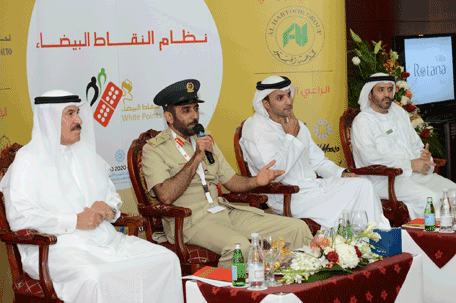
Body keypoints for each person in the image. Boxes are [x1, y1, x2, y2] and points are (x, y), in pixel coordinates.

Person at [0, 91, 183, 303]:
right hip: (56, 249)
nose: (78, 120)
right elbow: (21, 219)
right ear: (49, 119)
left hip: (105, 241)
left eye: (77, 113)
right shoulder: (27, 161)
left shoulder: (87, 154)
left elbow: (112, 196)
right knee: (95, 277)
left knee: (166, 259)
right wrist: (74, 221)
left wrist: (110, 208)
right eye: (70, 114)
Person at [142, 79, 312, 269]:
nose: (194, 116)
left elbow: (232, 182)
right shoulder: (154, 149)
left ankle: (291, 287)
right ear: (169, 116)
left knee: (297, 228)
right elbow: (165, 196)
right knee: (239, 248)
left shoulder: (205, 140)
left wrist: (257, 180)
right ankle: (223, 293)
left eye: (196, 109)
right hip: (189, 221)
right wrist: (197, 157)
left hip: (222, 211)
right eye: (186, 110)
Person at [240, 76, 391, 230]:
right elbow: (273, 173)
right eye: (280, 98)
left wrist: (341, 173)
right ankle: (354, 243)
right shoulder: (255, 128)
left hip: (314, 188)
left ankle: (375, 240)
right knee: (343, 205)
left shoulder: (295, 124)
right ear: (265, 103)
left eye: (288, 95)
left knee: (363, 185)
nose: (288, 101)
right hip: (289, 197)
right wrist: (290, 137)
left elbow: (318, 161)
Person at [351, 72, 456, 219]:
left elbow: (416, 145)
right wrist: (410, 165)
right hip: (385, 180)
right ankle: (432, 240)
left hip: (415, 175)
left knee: (453, 191)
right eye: (380, 90)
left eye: (389, 89)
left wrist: (424, 157)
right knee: (430, 198)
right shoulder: (363, 122)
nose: (386, 94)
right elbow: (371, 159)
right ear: (369, 94)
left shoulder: (398, 113)